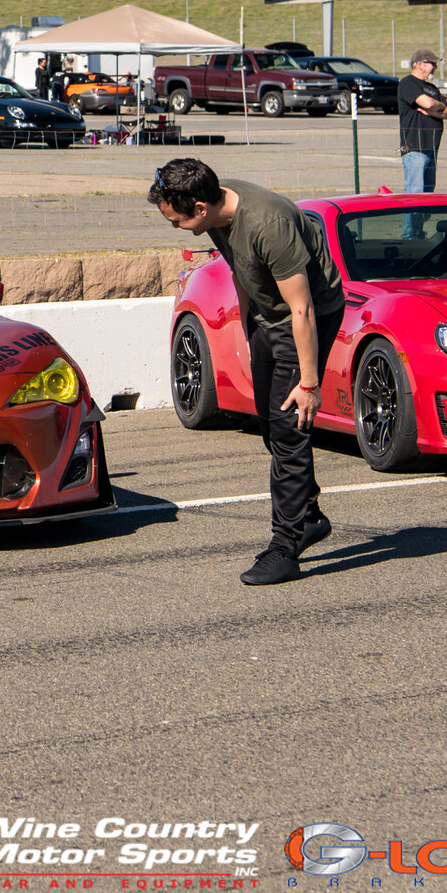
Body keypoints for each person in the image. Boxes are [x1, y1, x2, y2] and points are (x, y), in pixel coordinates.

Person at [150, 157, 344, 586]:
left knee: (290, 430)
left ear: (200, 207)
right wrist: (249, 322)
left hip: (305, 319)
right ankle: (308, 515)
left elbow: (303, 307)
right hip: (266, 318)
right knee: (271, 427)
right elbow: (242, 267)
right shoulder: (216, 209)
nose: (174, 226)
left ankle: (285, 545)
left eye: (176, 219)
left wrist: (309, 383)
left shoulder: (267, 224)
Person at [396, 48, 447, 194]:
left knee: (428, 194)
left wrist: (437, 109)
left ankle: (420, 218)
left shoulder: (432, 88)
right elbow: (427, 104)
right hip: (415, 148)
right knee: (414, 193)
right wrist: (438, 106)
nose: (435, 67)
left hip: (432, 146)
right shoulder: (408, 83)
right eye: (431, 63)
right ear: (419, 64)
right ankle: (410, 218)